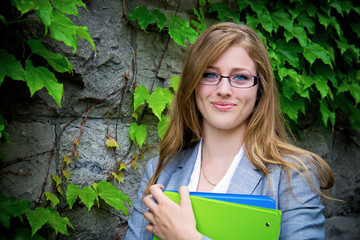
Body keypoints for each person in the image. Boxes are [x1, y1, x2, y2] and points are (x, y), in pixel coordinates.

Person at [125, 22, 334, 240]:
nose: (224, 90)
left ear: (260, 89)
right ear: (192, 84)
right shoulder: (160, 170)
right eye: (209, 75)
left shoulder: (293, 175)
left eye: (241, 77)